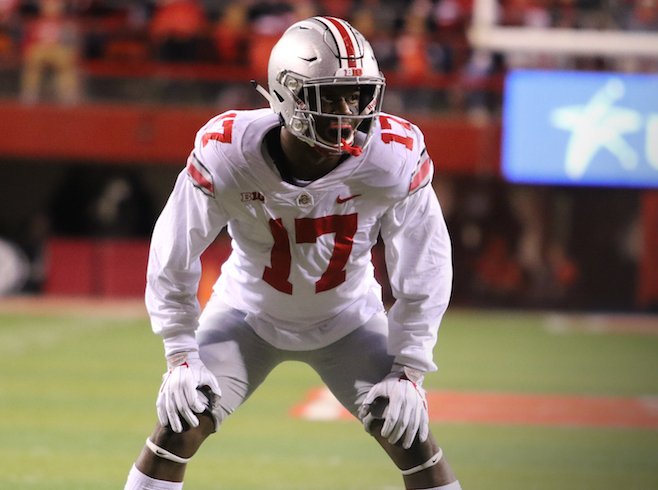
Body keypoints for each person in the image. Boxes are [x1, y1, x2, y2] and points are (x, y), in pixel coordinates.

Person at [124, 16, 461, 490]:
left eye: (358, 95)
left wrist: (409, 369)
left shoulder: (392, 156)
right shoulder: (228, 154)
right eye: (332, 96)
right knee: (177, 427)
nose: (349, 111)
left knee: (412, 437)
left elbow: (426, 266)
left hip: (349, 320)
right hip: (248, 315)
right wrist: (180, 354)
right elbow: (173, 254)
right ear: (289, 94)